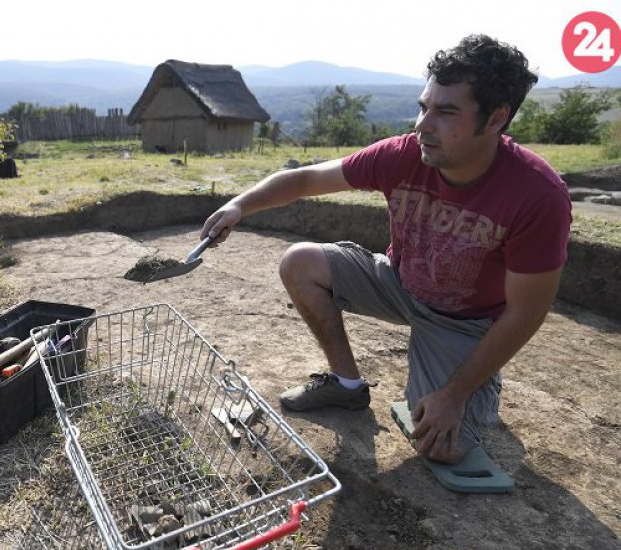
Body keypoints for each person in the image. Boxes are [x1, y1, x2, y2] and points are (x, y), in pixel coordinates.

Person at [200, 34, 572, 464]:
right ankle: (347, 385)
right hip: (398, 282)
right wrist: (238, 204)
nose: (422, 125)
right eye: (423, 107)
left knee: (441, 447)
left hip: (465, 320)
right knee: (299, 262)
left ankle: (473, 381)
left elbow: (526, 313)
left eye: (445, 112)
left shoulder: (537, 195)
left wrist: (454, 394)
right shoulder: (403, 155)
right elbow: (305, 179)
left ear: (495, 119)